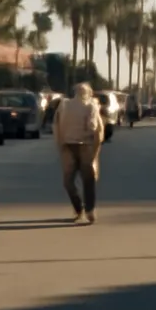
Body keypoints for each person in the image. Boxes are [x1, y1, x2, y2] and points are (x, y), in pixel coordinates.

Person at [53, 82, 105, 224]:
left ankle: (79, 208)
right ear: (88, 93)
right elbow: (95, 128)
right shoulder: (91, 106)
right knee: (88, 180)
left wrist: (60, 145)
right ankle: (90, 210)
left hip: (68, 146)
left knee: (68, 181)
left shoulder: (64, 105)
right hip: (85, 146)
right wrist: (95, 151)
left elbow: (57, 127)